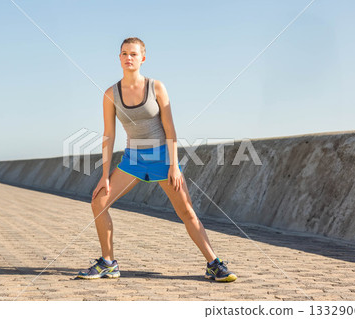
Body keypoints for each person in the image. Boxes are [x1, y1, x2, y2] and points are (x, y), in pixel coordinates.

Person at [76, 37, 236, 282]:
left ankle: (214, 264)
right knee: (98, 202)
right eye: (124, 54)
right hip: (133, 159)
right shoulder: (111, 93)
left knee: (187, 212)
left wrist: (174, 165)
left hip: (162, 157)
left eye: (133, 54)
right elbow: (109, 135)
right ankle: (108, 263)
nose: (128, 58)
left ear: (142, 58)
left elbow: (170, 129)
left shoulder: (156, 87)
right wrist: (104, 176)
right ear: (119, 58)